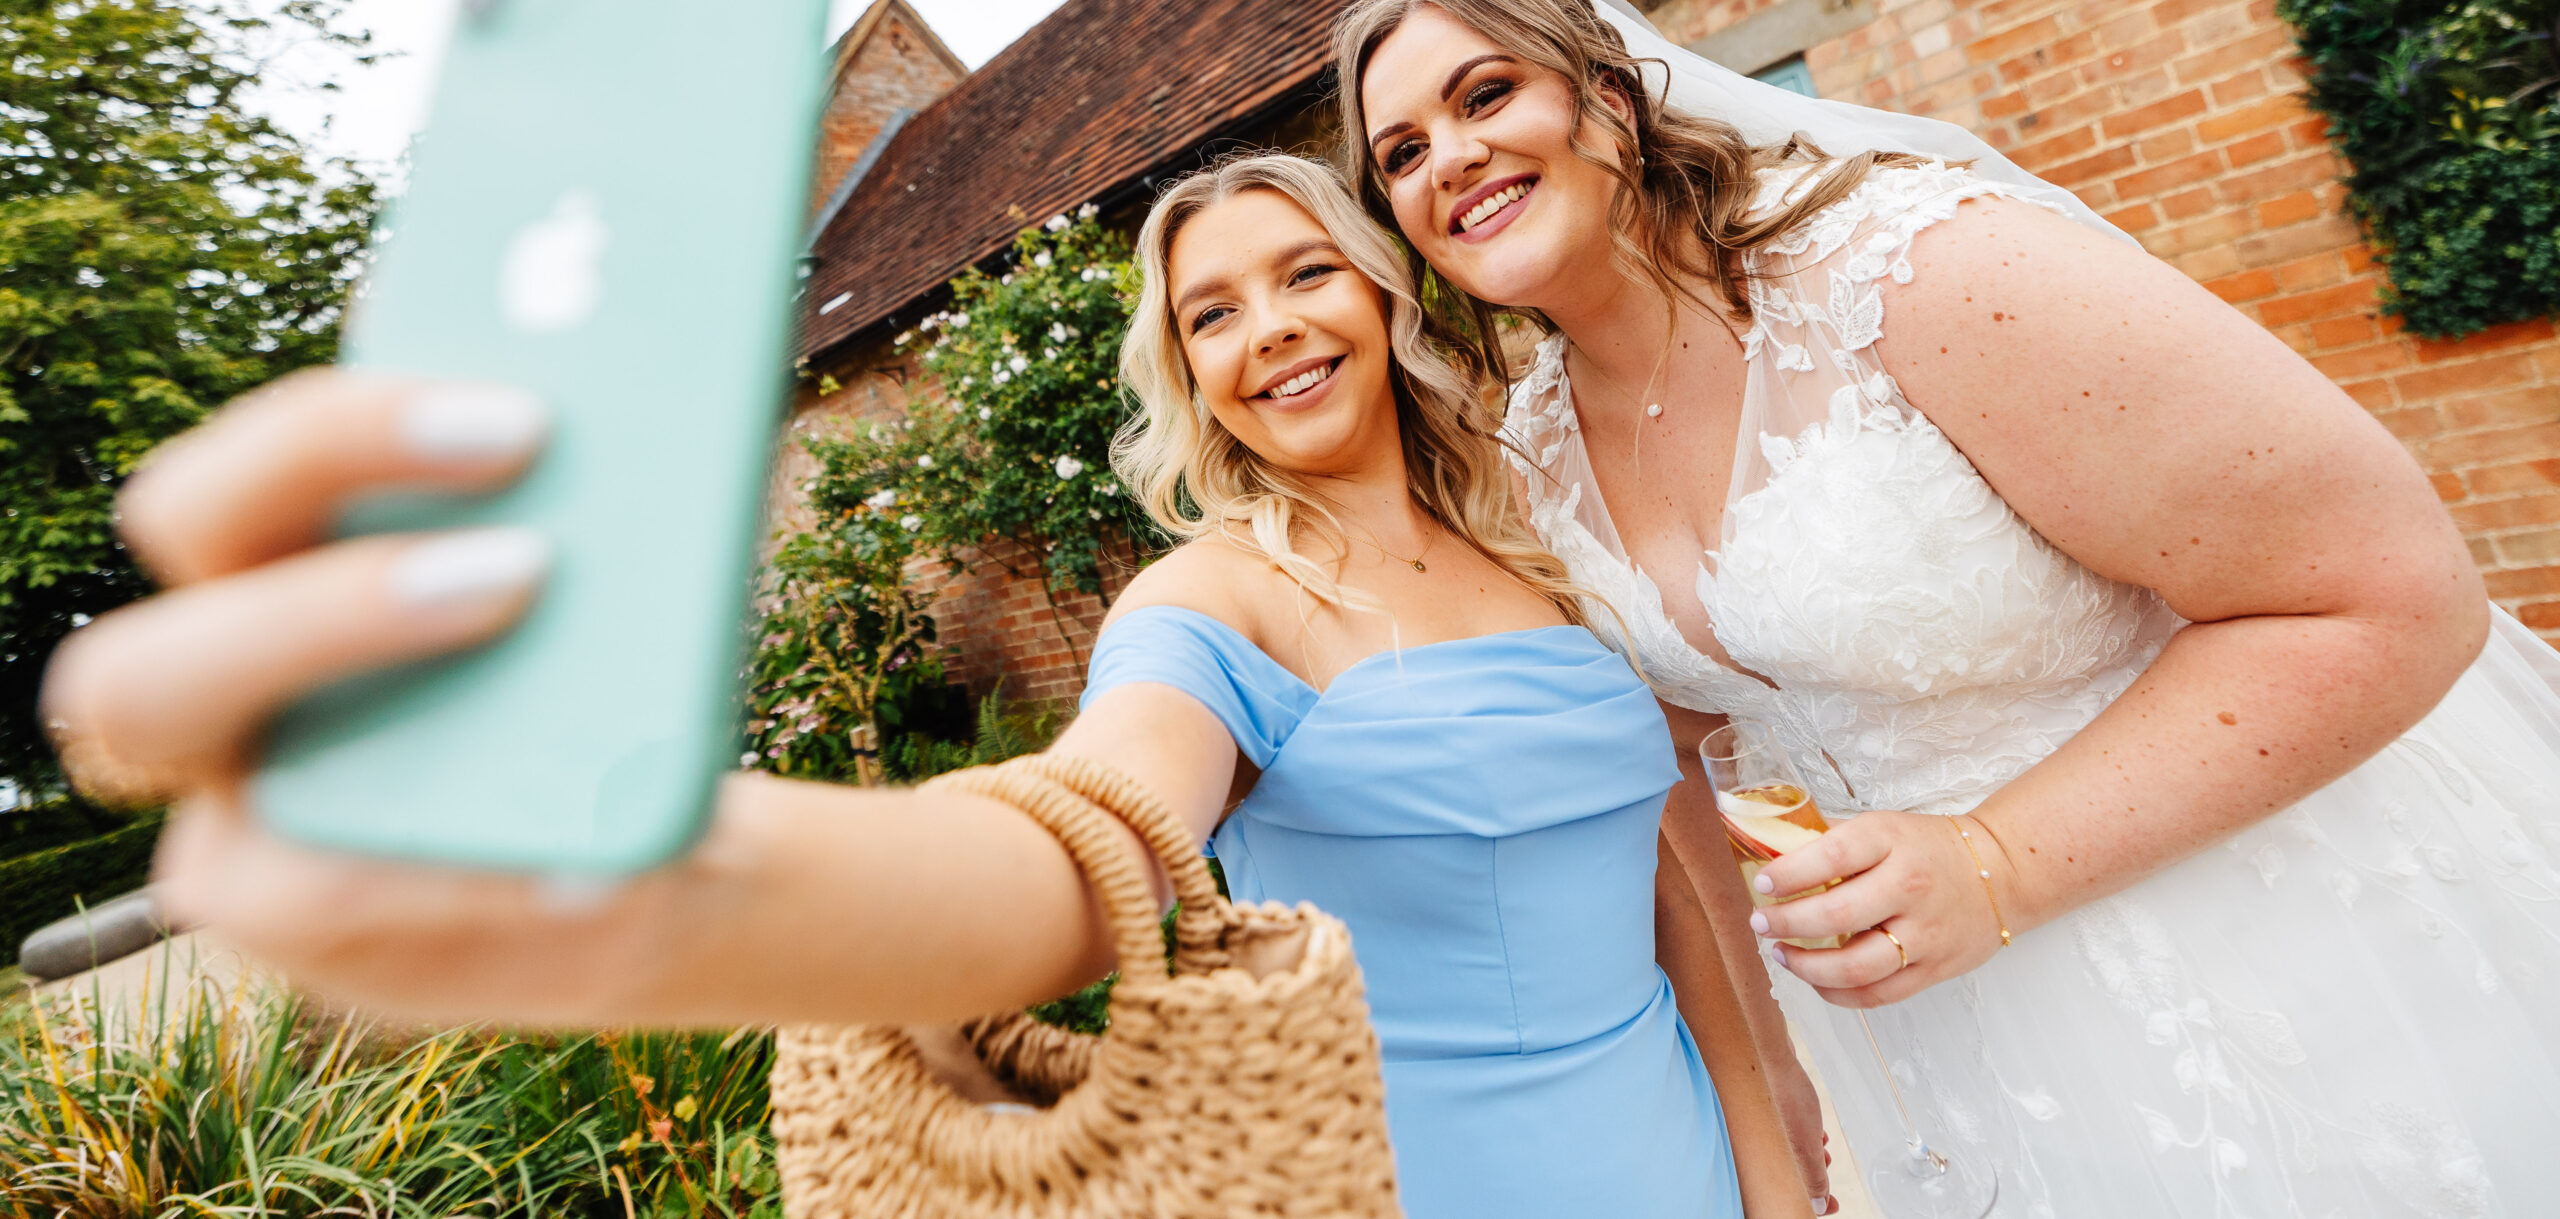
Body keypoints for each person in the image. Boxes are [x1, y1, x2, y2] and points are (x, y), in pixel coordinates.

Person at [43, 152, 1806, 1218]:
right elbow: (1078, 837)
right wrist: (654, 875)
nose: (1267, 327)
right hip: (1406, 1175)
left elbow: (1678, 883)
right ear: (1184, 371)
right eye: (1209, 312)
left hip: (1667, 1143)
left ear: (1382, 289)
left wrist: (1777, 1154)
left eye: (1301, 274)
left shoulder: (1540, 551)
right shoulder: (1217, 601)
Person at [1331, 0, 2560, 1218]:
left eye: (1484, 96)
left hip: (2280, 945)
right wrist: (1771, 1073)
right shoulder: (1529, 452)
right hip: (1955, 1048)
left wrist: (1994, 867)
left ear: (1611, 98)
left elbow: (2394, 592)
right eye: (1403, 153)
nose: (1450, 160)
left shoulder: (1919, 270)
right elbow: (1698, 769)